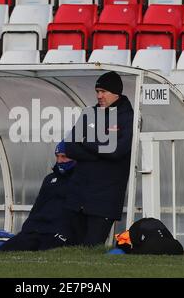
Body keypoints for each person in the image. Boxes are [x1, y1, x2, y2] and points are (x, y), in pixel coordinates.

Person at [63, 71, 134, 246]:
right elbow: (70, 147)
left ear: (116, 92)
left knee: (91, 249)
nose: (99, 96)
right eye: (97, 91)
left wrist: (86, 141)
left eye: (103, 91)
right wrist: (102, 150)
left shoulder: (128, 116)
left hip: (105, 198)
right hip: (78, 195)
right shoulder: (89, 113)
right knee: (72, 249)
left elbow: (117, 151)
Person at [0, 142, 76, 251]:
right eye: (57, 156)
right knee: (5, 249)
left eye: (64, 157)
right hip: (37, 228)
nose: (59, 161)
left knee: (44, 250)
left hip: (58, 231)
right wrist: (27, 227)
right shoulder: (49, 179)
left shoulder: (80, 180)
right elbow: (38, 205)